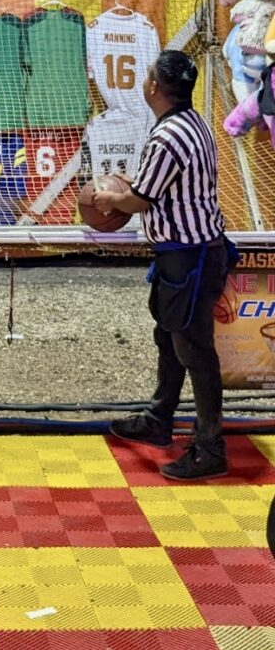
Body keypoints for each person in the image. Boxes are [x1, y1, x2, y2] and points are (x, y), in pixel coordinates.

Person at [94, 48, 234, 481]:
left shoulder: (168, 136)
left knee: (194, 349)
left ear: (154, 86)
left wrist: (106, 198)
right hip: (192, 252)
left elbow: (139, 201)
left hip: (189, 255)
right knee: (170, 337)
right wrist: (130, 189)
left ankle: (211, 448)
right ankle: (159, 418)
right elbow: (158, 187)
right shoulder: (192, 122)